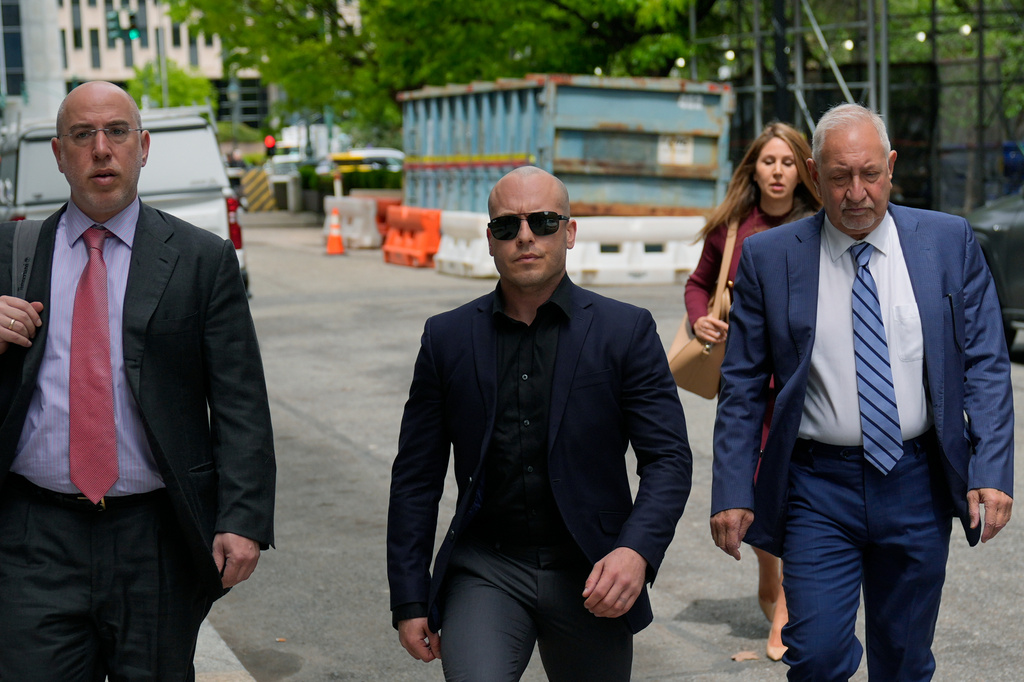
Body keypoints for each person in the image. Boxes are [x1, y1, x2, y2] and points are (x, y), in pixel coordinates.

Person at [709, 102, 1013, 681]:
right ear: (813, 173)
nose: (856, 192)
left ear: (891, 167)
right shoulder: (771, 259)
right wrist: (730, 487)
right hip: (817, 487)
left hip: (916, 482)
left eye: (870, 174)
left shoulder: (948, 243)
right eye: (840, 176)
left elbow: (987, 363)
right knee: (817, 655)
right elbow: (743, 383)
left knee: (903, 661)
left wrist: (992, 469)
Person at [0, 81, 276, 679]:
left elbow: (239, 399)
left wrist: (243, 517)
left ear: (143, 146)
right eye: (82, 135)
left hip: (155, 536)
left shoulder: (201, 258)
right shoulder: (11, 252)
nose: (101, 149)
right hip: (32, 537)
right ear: (57, 152)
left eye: (117, 132)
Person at [387, 166, 693, 681]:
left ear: (569, 232)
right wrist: (409, 597)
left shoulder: (626, 331)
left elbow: (668, 459)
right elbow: (415, 477)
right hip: (487, 567)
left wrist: (635, 551)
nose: (525, 236)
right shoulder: (447, 338)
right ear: (490, 240)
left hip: (591, 569)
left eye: (544, 221)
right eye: (507, 226)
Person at [684, 122, 821, 661]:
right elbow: (699, 284)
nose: (778, 171)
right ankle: (773, 576)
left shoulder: (820, 223)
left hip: (801, 381)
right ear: (753, 169)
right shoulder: (734, 228)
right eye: (769, 161)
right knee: (759, 480)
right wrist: (702, 322)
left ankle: (786, 602)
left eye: (788, 162)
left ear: (803, 169)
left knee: (795, 482)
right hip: (748, 381)